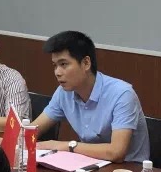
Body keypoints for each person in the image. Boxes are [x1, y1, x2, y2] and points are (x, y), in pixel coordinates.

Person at [32, 30, 150, 162]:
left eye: (63, 64)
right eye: (55, 66)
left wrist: (67, 146)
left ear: (86, 63)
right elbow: (32, 130)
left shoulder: (122, 94)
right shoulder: (63, 93)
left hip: (128, 169)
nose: (57, 72)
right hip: (90, 164)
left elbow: (116, 152)